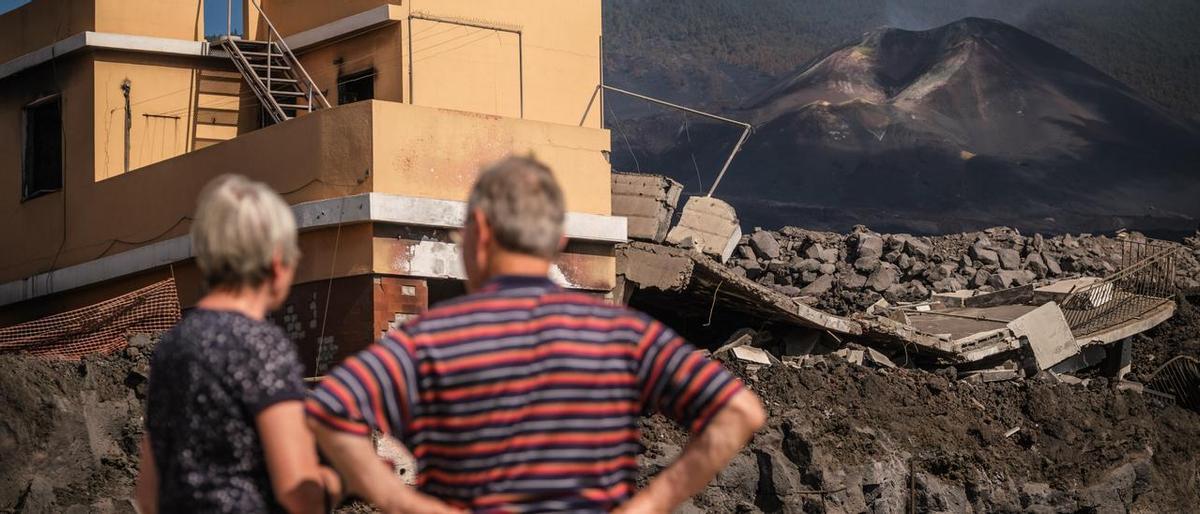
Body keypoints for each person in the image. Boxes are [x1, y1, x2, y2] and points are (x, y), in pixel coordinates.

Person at [306, 156, 766, 513]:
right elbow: (739, 412)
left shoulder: (431, 339)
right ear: (558, 239)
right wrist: (649, 504)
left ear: (479, 232)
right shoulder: (621, 335)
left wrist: (401, 501)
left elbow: (329, 410)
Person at [135, 175, 341, 513]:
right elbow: (298, 493)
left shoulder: (171, 346)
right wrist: (339, 483)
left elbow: (147, 496)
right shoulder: (261, 346)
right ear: (277, 262)